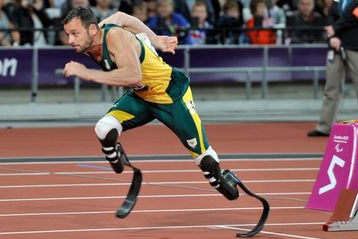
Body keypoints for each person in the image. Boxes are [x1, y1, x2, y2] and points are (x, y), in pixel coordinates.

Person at [62, 7, 239, 200]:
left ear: (92, 30)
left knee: (204, 160)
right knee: (104, 128)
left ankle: (222, 179)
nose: (70, 40)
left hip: (170, 95)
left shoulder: (114, 37)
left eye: (74, 33)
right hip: (142, 97)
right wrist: (157, 40)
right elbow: (121, 17)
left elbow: (133, 75)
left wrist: (86, 73)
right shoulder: (92, 36)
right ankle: (116, 156)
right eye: (68, 34)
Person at [307, 0, 358, 139]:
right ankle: (325, 126)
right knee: (331, 87)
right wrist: (333, 36)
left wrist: (335, 28)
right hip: (337, 44)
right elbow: (331, 14)